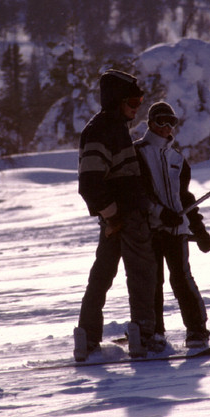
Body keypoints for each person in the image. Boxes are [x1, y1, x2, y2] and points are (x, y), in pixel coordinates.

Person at [74, 69, 157, 361]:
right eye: (132, 103)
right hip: (124, 217)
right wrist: (113, 216)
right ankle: (144, 337)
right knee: (141, 274)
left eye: (139, 102)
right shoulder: (103, 129)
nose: (137, 109)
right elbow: (89, 185)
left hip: (119, 216)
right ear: (115, 101)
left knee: (102, 276)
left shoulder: (113, 126)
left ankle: (87, 339)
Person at [134, 101, 210, 348]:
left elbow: (185, 197)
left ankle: (197, 331)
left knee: (182, 280)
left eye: (171, 122)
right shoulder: (137, 152)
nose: (166, 127)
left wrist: (199, 229)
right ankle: (155, 333)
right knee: (152, 283)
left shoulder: (177, 158)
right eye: (160, 121)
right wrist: (161, 213)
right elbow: (138, 193)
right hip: (150, 231)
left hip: (176, 231)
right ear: (150, 123)